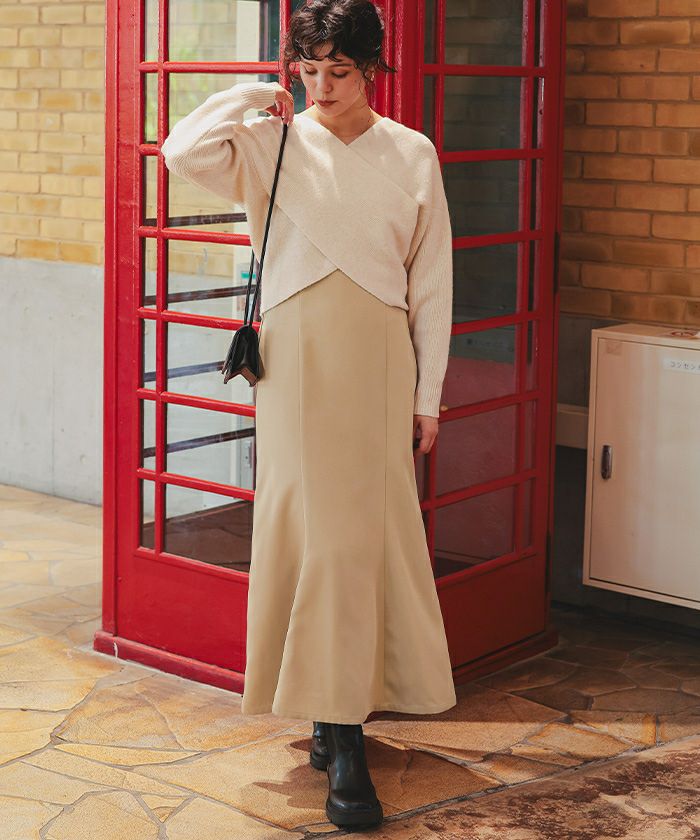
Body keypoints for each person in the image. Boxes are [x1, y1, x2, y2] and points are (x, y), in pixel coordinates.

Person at [161, 0, 456, 829]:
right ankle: (340, 731)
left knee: (358, 540)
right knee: (312, 534)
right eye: (309, 68)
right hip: (293, 362)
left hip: (378, 360)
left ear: (374, 69)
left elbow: (432, 282)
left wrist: (427, 396)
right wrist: (256, 93)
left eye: (340, 70)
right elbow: (181, 151)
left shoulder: (411, 153)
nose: (321, 86)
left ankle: (340, 716)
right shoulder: (273, 141)